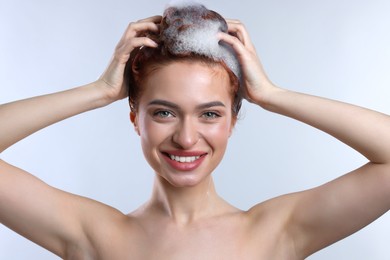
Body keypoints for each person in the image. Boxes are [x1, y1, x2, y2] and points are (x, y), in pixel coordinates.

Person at [1, 3, 390, 259]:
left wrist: (273, 95)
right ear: (135, 116)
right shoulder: (95, 236)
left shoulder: (276, 233)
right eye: (165, 112)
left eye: (209, 114)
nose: (187, 138)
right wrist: (98, 91)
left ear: (232, 120)